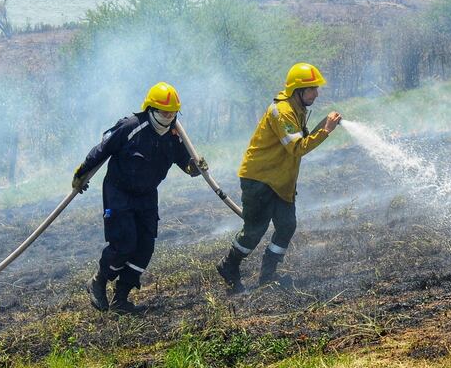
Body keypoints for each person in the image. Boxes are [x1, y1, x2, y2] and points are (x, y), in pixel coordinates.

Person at [73, 82, 207, 314]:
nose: (169, 116)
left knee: (145, 246)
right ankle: (99, 280)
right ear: (151, 109)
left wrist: (195, 167)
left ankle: (121, 299)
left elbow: (184, 161)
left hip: (147, 195)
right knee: (124, 243)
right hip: (119, 192)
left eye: (173, 112)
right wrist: (81, 174)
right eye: (165, 112)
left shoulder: (174, 134)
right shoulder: (130, 127)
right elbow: (100, 150)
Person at [217, 62, 342, 293]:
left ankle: (268, 274)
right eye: (312, 89)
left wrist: (323, 125)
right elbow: (297, 148)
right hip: (260, 179)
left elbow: (301, 140)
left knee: (286, 225)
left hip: (281, 180)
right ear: (298, 91)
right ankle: (229, 266)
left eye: (316, 88)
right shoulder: (282, 112)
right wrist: (326, 131)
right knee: (255, 230)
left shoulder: (297, 108)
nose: (316, 93)